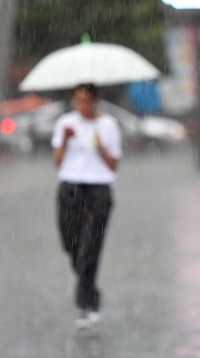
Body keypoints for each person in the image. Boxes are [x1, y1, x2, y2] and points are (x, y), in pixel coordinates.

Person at [51, 83, 122, 329]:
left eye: (86, 100)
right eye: (78, 100)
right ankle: (91, 290)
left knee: (90, 245)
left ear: (95, 101)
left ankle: (86, 304)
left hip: (98, 189)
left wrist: (100, 145)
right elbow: (57, 162)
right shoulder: (65, 124)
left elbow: (114, 164)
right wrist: (65, 141)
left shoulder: (108, 125)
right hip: (70, 187)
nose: (82, 106)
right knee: (70, 243)